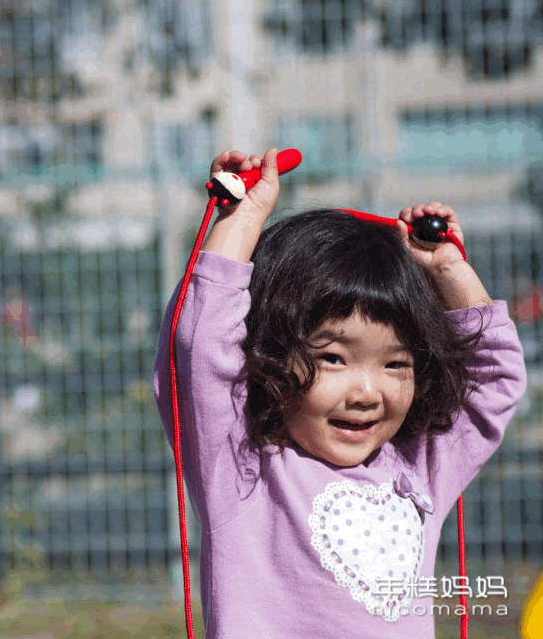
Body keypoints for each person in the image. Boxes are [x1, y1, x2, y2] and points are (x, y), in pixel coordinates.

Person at [153, 149, 527, 637]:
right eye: (333, 358)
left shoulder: (422, 471)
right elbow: (200, 347)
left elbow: (493, 380)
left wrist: (447, 271)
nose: (367, 392)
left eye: (396, 364)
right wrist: (239, 221)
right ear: (269, 355)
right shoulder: (244, 470)